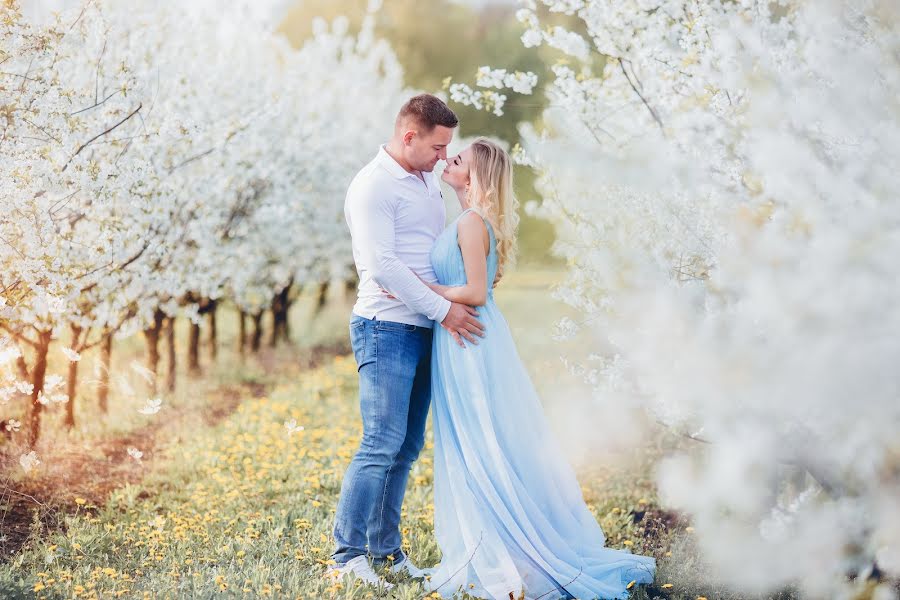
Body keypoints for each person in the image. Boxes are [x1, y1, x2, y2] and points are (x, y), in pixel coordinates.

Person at [421, 138, 656, 599]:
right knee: (476, 442)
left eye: (460, 158)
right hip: (459, 338)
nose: (449, 160)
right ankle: (495, 546)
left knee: (483, 443)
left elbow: (473, 292)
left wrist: (417, 287)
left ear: (476, 175)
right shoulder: (468, 220)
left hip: (467, 339)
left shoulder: (471, 222)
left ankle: (507, 550)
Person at [326, 94, 484, 590]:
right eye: (438, 147)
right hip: (385, 326)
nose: (444, 157)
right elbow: (384, 267)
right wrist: (446, 309)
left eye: (448, 149)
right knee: (380, 442)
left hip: (423, 328)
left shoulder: (424, 181)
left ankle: (386, 550)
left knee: (408, 444)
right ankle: (346, 556)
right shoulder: (373, 186)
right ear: (409, 135)